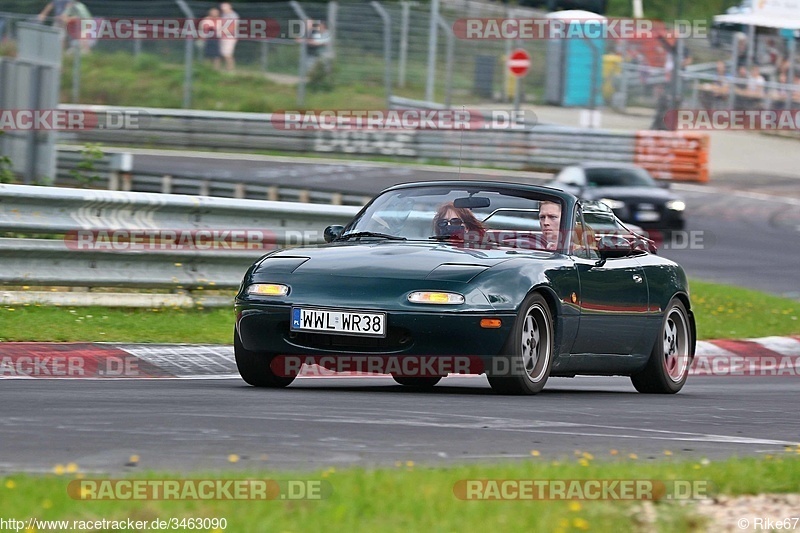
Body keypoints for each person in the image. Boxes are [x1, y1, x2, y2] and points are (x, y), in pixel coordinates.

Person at [219, 2, 239, 71]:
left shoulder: (233, 15)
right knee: (223, 52)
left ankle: (231, 68)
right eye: (222, 7)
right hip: (223, 36)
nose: (223, 8)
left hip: (230, 37)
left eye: (224, 7)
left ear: (229, 7)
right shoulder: (224, 15)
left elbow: (234, 26)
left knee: (228, 53)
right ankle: (227, 68)